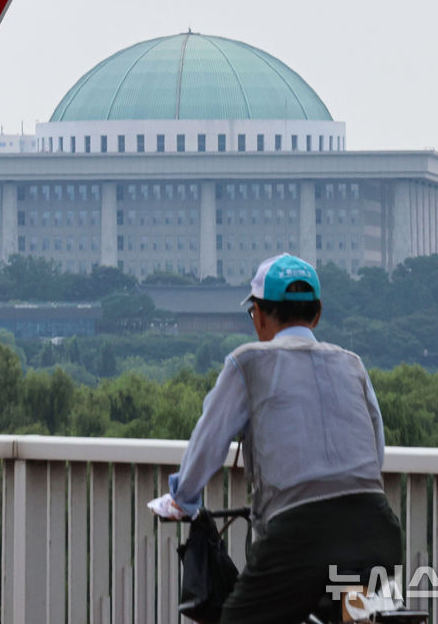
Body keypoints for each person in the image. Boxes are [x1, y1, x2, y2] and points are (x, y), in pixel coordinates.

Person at [150, 253, 402, 624]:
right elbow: (374, 450)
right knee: (345, 611)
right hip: (376, 527)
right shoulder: (351, 363)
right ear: (316, 315)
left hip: (298, 537)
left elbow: (209, 441)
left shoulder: (247, 362)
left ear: (260, 315)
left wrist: (184, 499)